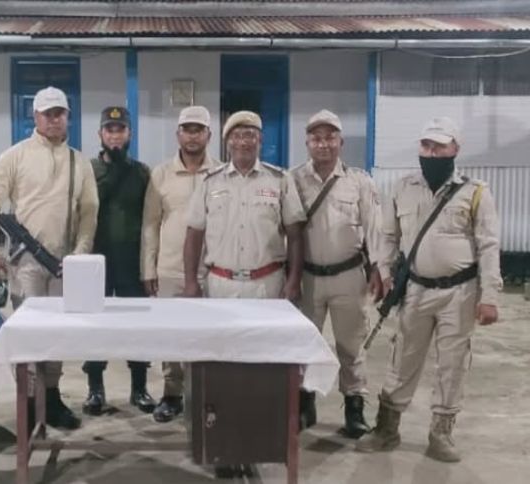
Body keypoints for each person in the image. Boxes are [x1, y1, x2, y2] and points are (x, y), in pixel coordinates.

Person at [356, 117, 501, 462]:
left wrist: (490, 297)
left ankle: (441, 434)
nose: (432, 152)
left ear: (455, 149)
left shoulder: (475, 192)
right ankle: (387, 428)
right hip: (416, 291)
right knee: (403, 358)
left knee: (452, 363)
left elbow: (488, 245)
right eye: (426, 145)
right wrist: (385, 273)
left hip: (460, 293)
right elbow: (387, 237)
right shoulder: (403, 187)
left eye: (440, 146)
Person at [183, 110, 306, 478]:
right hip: (220, 285)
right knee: (222, 368)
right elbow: (193, 234)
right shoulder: (210, 182)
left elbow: (295, 233)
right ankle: (223, 447)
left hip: (266, 285)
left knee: (263, 367)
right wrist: (191, 282)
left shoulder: (279, 180)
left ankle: (257, 442)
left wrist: (293, 280)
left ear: (260, 140)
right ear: (227, 141)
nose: (244, 141)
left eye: (251, 134)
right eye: (237, 135)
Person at [0, 86, 98, 430]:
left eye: (60, 113)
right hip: (26, 263)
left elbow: (89, 211)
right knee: (28, 334)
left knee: (57, 333)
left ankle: (52, 397)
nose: (54, 120)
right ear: (36, 117)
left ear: (68, 117)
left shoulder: (79, 161)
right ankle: (29, 402)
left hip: (64, 263)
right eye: (48, 114)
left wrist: (80, 255)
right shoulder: (14, 157)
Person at [290, 109, 383, 438]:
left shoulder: (359, 181)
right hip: (308, 278)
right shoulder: (293, 180)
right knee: (304, 342)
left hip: (349, 276)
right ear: (307, 143)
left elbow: (375, 228)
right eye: (316, 138)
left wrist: (379, 268)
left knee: (351, 344)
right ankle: (304, 402)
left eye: (330, 137)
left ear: (341, 142)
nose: (323, 144)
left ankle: (354, 406)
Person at [140, 105, 220, 422]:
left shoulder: (221, 173)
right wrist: (148, 268)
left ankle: (204, 393)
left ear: (209, 135)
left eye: (199, 130)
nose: (192, 136)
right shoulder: (161, 174)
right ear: (178, 134)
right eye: (187, 130)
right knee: (172, 335)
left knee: (208, 335)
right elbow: (150, 224)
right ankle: (172, 394)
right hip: (170, 269)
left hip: (212, 269)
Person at [82, 107, 156, 416]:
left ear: (130, 134)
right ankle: (95, 390)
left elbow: (151, 218)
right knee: (95, 326)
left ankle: (139, 388)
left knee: (136, 326)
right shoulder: (87, 171)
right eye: (109, 130)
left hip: (131, 261)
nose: (115, 135)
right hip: (96, 262)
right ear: (100, 134)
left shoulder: (142, 173)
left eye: (120, 129)